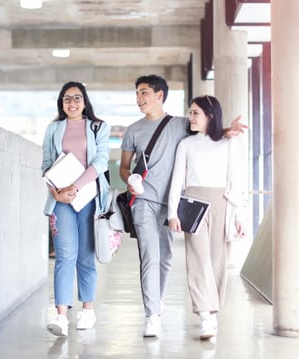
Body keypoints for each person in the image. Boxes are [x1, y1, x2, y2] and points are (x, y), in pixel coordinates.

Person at [119, 75, 246, 338]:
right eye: (137, 93)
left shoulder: (181, 126)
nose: (139, 98)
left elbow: (210, 137)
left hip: (193, 202)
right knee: (157, 256)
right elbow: (126, 167)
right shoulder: (136, 131)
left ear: (159, 95)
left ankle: (181, 305)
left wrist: (227, 131)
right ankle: (154, 314)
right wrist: (130, 182)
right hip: (153, 200)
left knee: (172, 259)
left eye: (144, 92)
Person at [167, 95, 246, 340]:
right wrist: (172, 213)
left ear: (210, 116)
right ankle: (204, 316)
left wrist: (239, 215)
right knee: (197, 259)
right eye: (190, 112)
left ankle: (212, 312)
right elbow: (177, 180)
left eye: (195, 113)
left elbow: (236, 180)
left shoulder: (228, 142)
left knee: (217, 259)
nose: (190, 118)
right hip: (193, 202)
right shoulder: (186, 144)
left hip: (222, 202)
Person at [41, 81, 110, 337]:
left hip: (89, 197)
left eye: (77, 98)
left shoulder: (98, 127)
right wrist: (58, 192)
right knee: (64, 255)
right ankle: (60, 316)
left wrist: (75, 186)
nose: (72, 103)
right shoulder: (53, 128)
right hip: (61, 200)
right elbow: (46, 164)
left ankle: (87, 309)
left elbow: (101, 161)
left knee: (85, 255)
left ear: (85, 101)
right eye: (67, 98)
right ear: (61, 102)